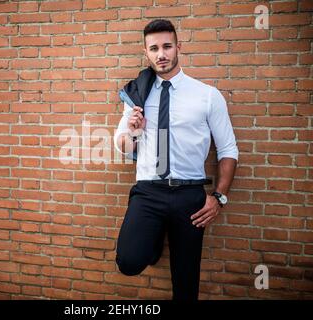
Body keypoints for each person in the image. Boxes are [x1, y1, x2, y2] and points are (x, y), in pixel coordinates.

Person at [113, 19, 239, 301]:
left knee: (186, 280)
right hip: (148, 192)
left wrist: (218, 197)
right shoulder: (137, 95)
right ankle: (154, 237)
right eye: (154, 48)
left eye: (167, 46)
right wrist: (133, 132)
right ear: (146, 52)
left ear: (178, 47)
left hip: (189, 195)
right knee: (129, 261)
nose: (161, 54)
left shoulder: (207, 96)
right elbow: (121, 145)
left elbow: (228, 149)